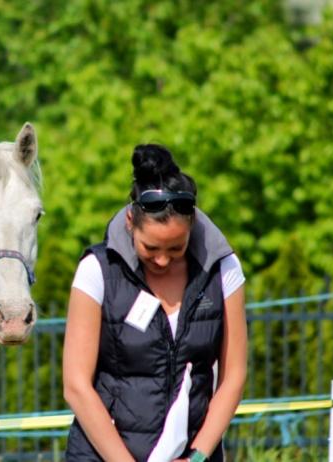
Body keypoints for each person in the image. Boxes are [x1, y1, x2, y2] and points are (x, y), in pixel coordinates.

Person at [63, 144, 247, 462]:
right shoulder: (96, 270)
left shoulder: (224, 270)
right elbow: (76, 386)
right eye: (150, 248)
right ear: (130, 221)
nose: (162, 259)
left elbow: (233, 377)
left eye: (176, 248)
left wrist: (198, 457)